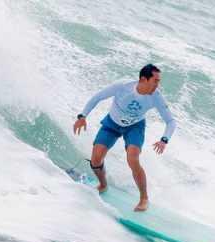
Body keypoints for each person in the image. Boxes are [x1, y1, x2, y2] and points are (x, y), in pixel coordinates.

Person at [73, 64, 176, 212]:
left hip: (135, 127)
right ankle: (103, 184)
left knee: (133, 159)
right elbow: (98, 97)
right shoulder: (123, 87)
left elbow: (171, 121)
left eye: (159, 81)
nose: (158, 85)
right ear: (143, 79)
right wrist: (82, 116)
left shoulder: (156, 97)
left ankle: (144, 198)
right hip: (112, 123)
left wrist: (164, 139)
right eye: (155, 80)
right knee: (96, 158)